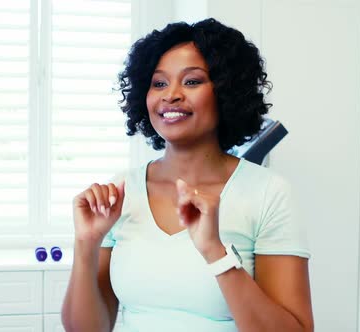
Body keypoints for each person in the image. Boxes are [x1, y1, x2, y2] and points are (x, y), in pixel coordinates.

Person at [61, 18, 313, 332]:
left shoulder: (268, 193)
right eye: (159, 83)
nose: (171, 95)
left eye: (191, 81)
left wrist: (215, 252)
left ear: (225, 91)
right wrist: (86, 244)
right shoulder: (122, 191)